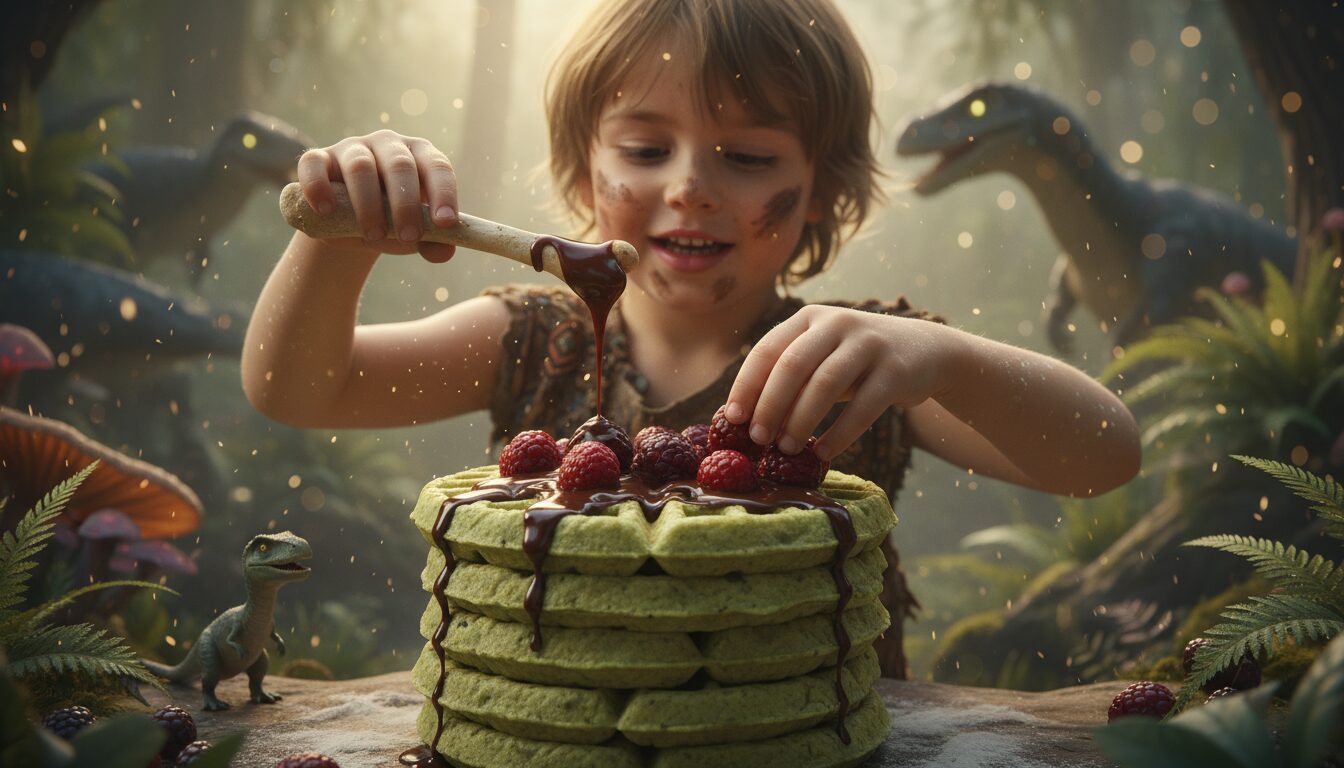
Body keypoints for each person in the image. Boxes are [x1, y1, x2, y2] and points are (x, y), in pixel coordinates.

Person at [241, 0, 1140, 679]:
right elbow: (298, 388)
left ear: (823, 191)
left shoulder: (858, 362)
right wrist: (334, 243)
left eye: (747, 158)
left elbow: (1105, 455)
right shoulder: (528, 336)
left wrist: (944, 357)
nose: (691, 187)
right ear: (580, 164)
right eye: (644, 149)